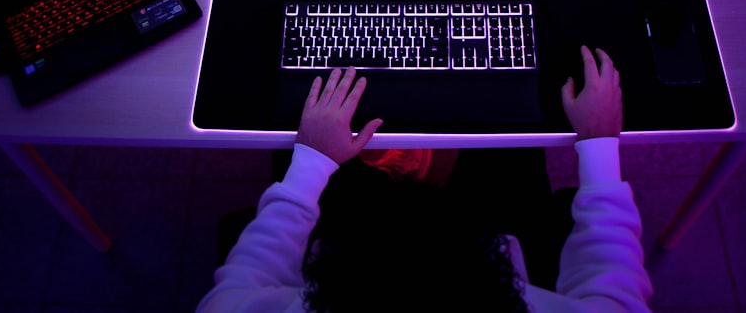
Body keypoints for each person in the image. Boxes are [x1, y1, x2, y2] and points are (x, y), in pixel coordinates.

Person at [196, 46, 653, 312]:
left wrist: (312, 159)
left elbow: (245, 276)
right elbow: (615, 281)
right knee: (517, 152)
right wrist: (598, 142)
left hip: (356, 232)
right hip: (463, 234)